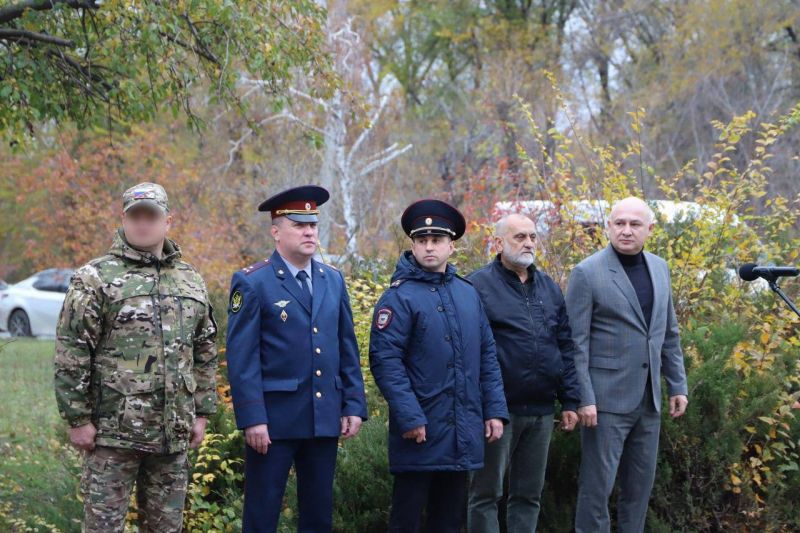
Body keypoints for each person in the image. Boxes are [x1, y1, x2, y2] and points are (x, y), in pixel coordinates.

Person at [54, 182, 218, 532]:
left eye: (151, 216)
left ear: (167, 220)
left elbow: (204, 350)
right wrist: (77, 419)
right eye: (135, 216)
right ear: (123, 219)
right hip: (112, 435)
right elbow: (72, 350)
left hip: (172, 436)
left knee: (166, 528)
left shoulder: (190, 280)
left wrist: (202, 413)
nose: (143, 223)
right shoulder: (96, 277)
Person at [225, 185, 368, 533]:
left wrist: (353, 404)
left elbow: (345, 347)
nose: (308, 232)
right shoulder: (253, 282)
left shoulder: (332, 280)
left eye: (313, 226)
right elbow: (242, 357)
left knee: (318, 515)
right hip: (273, 421)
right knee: (262, 513)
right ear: (276, 231)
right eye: (298, 225)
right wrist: (253, 417)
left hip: (323, 417)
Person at [369, 198, 509, 533]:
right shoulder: (399, 297)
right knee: (406, 520)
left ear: (451, 246)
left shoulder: (467, 293)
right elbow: (385, 361)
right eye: (422, 241)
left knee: (449, 521)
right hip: (419, 431)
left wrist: (494, 410)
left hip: (462, 430)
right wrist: (410, 416)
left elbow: (487, 355)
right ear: (414, 245)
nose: (429, 247)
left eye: (437, 241)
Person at [565, 197, 689, 532]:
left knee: (638, 491)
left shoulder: (660, 267)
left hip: (649, 401)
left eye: (635, 224)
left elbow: (668, 332)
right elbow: (576, 344)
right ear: (608, 227)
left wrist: (677, 384)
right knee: (597, 490)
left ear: (649, 229)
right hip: (604, 403)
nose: (626, 230)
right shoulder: (586, 273)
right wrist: (584, 397)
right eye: (619, 223)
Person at [467, 213, 580, 532]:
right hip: (498, 411)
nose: (529, 243)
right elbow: (469, 354)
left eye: (532, 236)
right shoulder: (476, 285)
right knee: (486, 494)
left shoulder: (549, 287)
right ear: (498, 242)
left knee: (529, 495)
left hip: (542, 411)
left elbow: (565, 345)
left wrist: (570, 400)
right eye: (519, 237)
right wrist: (487, 405)